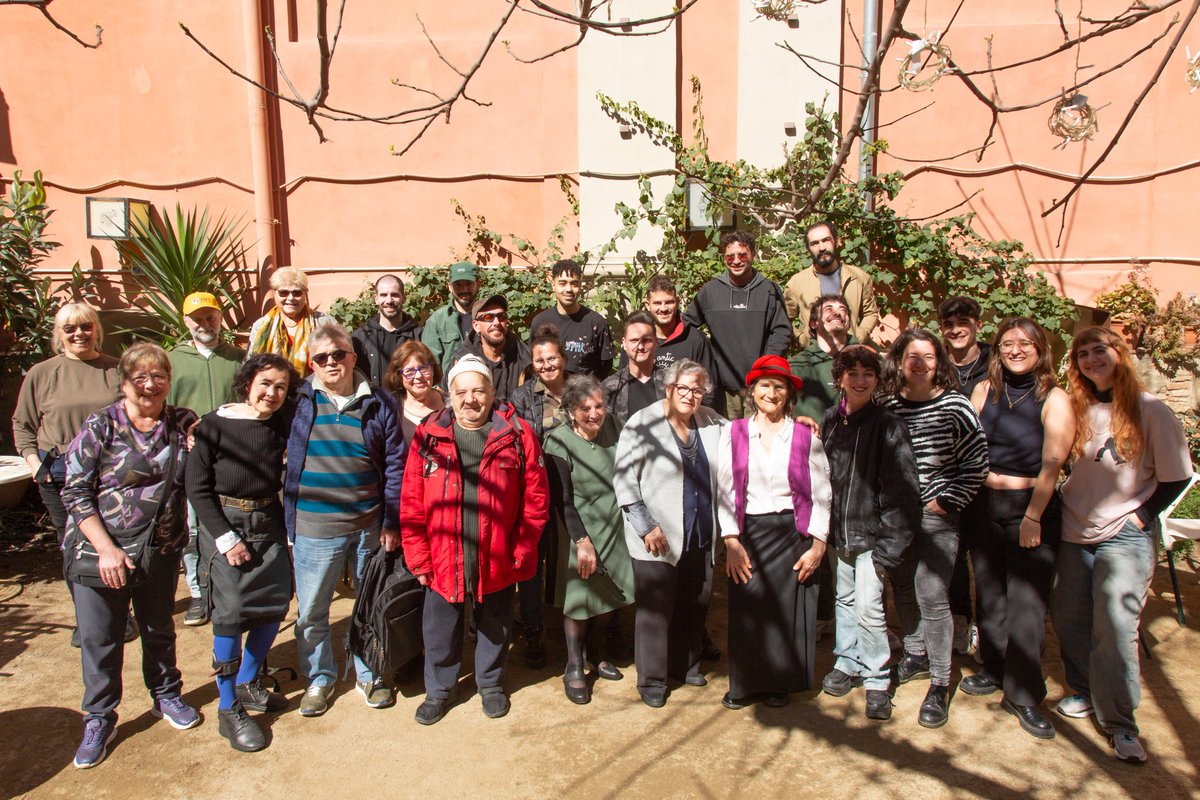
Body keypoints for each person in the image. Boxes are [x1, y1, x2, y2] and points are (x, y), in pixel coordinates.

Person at [1051, 326, 1193, 764]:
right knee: (1069, 617)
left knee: (1115, 629)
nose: (1091, 359)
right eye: (1083, 354)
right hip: (1074, 531)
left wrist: (1140, 516)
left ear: (1119, 353)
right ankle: (1087, 692)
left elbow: (1178, 476)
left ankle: (1121, 725)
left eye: (1100, 350)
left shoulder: (1150, 410)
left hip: (1124, 535)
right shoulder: (1077, 406)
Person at [60, 343, 200, 768]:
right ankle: (100, 716)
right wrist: (105, 549)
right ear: (123, 381)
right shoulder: (101, 425)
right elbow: (75, 490)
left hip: (158, 549)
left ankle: (166, 694)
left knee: (159, 626)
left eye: (158, 375)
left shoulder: (181, 422)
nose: (150, 383)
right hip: (100, 551)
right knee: (101, 638)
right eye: (140, 375)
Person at [399, 355, 549, 725]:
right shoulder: (429, 434)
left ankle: (491, 684)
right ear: (449, 394)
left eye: (478, 390)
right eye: (461, 391)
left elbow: (536, 498)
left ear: (491, 392)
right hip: (442, 553)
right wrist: (418, 557)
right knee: (440, 628)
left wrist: (523, 549)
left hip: (497, 551)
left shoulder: (516, 433)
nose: (470, 399)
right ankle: (440, 690)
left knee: (495, 623)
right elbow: (411, 499)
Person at [958, 318, 1074, 740]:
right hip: (983, 503)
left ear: (1040, 349)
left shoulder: (1054, 397)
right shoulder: (985, 390)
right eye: (1008, 343)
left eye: (1025, 343)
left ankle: (1024, 694)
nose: (1016, 349)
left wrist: (1033, 516)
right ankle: (993, 668)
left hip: (1031, 506)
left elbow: (1052, 462)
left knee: (1027, 603)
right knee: (988, 592)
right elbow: (968, 445)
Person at [283, 322, 405, 717]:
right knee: (313, 611)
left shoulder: (379, 401)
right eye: (322, 357)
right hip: (314, 529)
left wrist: (391, 521)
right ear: (311, 363)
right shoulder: (297, 400)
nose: (331, 362)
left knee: (367, 605)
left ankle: (368, 672)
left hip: (368, 524)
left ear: (353, 357)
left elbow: (394, 466)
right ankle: (320, 677)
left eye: (339, 354)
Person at [186, 354, 299, 752]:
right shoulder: (213, 426)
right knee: (230, 615)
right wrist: (225, 538)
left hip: (268, 520)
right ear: (248, 381)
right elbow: (197, 489)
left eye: (281, 387)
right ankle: (227, 706)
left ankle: (249, 683)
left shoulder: (283, 422)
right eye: (266, 383)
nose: (272, 392)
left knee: (274, 604)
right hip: (226, 524)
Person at [881, 329, 989, 728]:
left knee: (932, 594)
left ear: (938, 362)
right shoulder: (887, 404)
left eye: (927, 356)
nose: (919, 362)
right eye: (912, 355)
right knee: (903, 587)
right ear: (900, 360)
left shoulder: (955, 406)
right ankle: (916, 654)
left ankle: (941, 684)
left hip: (937, 517)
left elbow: (977, 463)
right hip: (897, 517)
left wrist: (944, 501)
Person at [717, 356, 832, 709]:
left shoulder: (803, 436)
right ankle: (745, 685)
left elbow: (822, 491)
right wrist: (731, 541)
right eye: (764, 385)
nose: (771, 392)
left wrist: (818, 544)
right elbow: (724, 488)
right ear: (752, 391)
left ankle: (778, 683)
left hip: (790, 531)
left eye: (779, 387)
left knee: (783, 609)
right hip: (749, 530)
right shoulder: (733, 432)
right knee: (749, 607)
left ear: (788, 395)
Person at [12, 304, 127, 647]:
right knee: (75, 547)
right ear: (59, 334)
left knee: (114, 541)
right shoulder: (43, 372)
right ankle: (87, 618)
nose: (79, 333)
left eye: (86, 326)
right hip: (60, 474)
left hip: (110, 474)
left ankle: (120, 615)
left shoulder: (114, 369)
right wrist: (35, 464)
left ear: (97, 329)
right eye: (70, 328)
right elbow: (23, 425)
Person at [614, 359, 726, 707]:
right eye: (684, 388)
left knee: (695, 600)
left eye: (697, 389)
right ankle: (651, 681)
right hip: (656, 534)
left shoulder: (711, 421)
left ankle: (686, 663)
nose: (691, 395)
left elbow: (750, 432)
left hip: (700, 530)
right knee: (655, 610)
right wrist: (646, 525)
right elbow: (624, 479)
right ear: (668, 389)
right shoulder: (642, 423)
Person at [819, 345, 921, 721]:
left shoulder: (888, 425)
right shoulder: (832, 420)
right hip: (838, 534)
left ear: (877, 380)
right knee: (843, 601)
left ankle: (877, 678)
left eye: (868, 374)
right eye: (852, 373)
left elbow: (904, 489)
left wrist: (888, 547)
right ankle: (848, 661)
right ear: (840, 378)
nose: (860, 381)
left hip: (873, 537)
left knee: (869, 608)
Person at [543, 375, 634, 704]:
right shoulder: (558, 441)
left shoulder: (614, 425)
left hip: (613, 523)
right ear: (569, 410)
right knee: (580, 598)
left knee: (608, 594)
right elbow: (562, 499)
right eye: (585, 408)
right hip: (578, 527)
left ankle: (598, 653)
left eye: (599, 406)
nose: (594, 414)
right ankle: (574, 664)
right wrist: (581, 541)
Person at [168, 291, 246, 628]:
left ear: (220, 318)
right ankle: (199, 594)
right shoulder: (172, 360)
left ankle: (228, 587)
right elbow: (163, 410)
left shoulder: (238, 358)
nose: (205, 323)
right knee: (192, 525)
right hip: (189, 456)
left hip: (233, 457)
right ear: (186, 322)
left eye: (210, 316)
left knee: (227, 521)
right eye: (198, 318)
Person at [509, 326, 571, 669]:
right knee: (533, 563)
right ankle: (533, 628)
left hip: (578, 488)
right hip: (537, 489)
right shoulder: (521, 397)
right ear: (531, 365)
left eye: (552, 358)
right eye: (539, 360)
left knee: (574, 560)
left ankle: (578, 626)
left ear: (562, 358)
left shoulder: (580, 388)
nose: (547, 365)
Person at [683, 232, 792, 418]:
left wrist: (765, 365)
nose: (736, 261)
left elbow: (782, 331)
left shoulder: (769, 290)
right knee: (728, 440)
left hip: (759, 386)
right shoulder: (711, 291)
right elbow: (688, 325)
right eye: (730, 256)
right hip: (723, 389)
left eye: (742, 255)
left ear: (753, 255)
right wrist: (706, 356)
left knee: (757, 440)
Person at [937, 295, 991, 656]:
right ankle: (961, 619)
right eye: (949, 324)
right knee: (953, 559)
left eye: (964, 323)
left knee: (986, 560)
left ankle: (989, 628)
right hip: (946, 474)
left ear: (977, 326)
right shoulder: (937, 364)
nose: (956, 329)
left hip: (989, 477)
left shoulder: (997, 363)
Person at [783, 220, 880, 348]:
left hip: (851, 352)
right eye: (814, 243)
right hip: (816, 358)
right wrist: (803, 340)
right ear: (808, 249)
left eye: (826, 240)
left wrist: (859, 336)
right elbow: (784, 318)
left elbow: (871, 313)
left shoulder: (858, 277)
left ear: (837, 241)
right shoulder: (796, 283)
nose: (821, 247)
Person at [528, 259, 614, 379]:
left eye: (574, 283)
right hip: (547, 395)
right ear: (554, 285)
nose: (568, 289)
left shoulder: (597, 323)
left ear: (580, 285)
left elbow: (605, 367)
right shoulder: (540, 322)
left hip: (585, 394)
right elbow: (533, 360)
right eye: (562, 283)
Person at [645, 275, 717, 408]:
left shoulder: (696, 340)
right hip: (647, 421)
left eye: (669, 302)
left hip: (687, 418)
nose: (664, 308)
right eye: (657, 303)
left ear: (677, 301)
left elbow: (708, 390)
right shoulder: (639, 340)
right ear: (647, 305)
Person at [246, 267, 331, 378]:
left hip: (314, 390)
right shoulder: (261, 326)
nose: (290, 298)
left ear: (305, 293)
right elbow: (250, 364)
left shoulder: (324, 324)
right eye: (283, 292)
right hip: (273, 390)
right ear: (275, 294)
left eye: (297, 293)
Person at [789, 294, 862, 422]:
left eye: (843, 310)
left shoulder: (869, 362)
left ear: (849, 322)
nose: (837, 313)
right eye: (829, 309)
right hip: (810, 439)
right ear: (813, 323)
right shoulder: (795, 366)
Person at [450, 294, 532, 404]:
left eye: (501, 316)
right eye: (488, 318)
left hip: (518, 419)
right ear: (476, 325)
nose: (496, 323)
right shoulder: (461, 361)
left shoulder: (524, 357)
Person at [352, 274, 423, 387]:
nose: (389, 300)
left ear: (404, 298)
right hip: (373, 403)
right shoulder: (360, 338)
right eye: (383, 295)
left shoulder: (419, 336)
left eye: (394, 295)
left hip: (408, 402)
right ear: (376, 299)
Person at [602, 310, 665, 423]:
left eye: (646, 340)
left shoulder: (671, 384)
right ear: (624, 343)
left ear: (656, 342)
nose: (640, 346)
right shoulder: (609, 387)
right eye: (634, 340)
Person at [422, 261, 480, 376]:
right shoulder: (437, 321)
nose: (464, 289)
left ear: (478, 284)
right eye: (458, 285)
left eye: (469, 284)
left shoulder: (489, 317)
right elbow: (429, 364)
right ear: (449, 287)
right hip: (449, 391)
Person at [383, 339, 446, 445]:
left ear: (433, 370)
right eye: (410, 371)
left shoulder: (451, 404)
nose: (419, 376)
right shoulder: (389, 409)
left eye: (424, 368)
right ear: (399, 376)